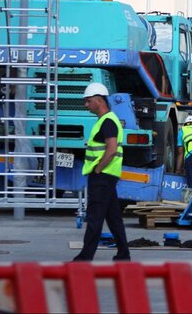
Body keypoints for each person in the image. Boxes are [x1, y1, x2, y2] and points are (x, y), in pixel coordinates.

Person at [73, 83, 130, 262]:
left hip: (102, 177)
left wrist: (98, 169)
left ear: (99, 100)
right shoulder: (106, 120)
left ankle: (85, 257)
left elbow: (111, 149)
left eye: (88, 101)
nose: (86, 105)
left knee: (95, 218)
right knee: (113, 219)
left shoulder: (107, 121)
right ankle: (123, 254)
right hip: (107, 177)